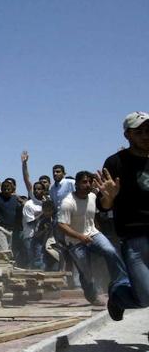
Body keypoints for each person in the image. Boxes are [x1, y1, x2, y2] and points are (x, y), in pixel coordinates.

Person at [96, 111, 149, 320]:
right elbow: (104, 206)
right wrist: (109, 197)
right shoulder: (116, 162)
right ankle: (118, 293)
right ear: (127, 135)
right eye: (140, 132)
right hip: (134, 236)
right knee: (145, 298)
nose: (146, 135)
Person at [57, 171, 130, 306]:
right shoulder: (68, 202)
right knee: (86, 272)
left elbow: (97, 212)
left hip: (93, 234)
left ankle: (123, 283)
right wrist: (80, 236)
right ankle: (92, 296)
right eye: (84, 182)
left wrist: (110, 197)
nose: (88, 184)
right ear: (77, 184)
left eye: (90, 182)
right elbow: (61, 225)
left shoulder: (92, 196)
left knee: (111, 251)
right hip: (75, 241)